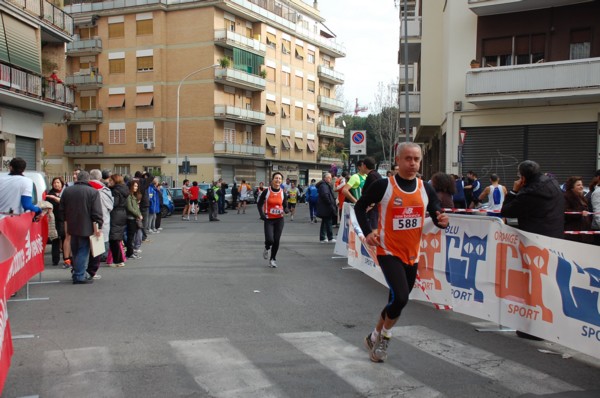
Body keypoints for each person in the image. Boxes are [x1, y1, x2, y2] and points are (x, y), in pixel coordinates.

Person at [354, 142, 449, 363]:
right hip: (389, 251)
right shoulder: (384, 185)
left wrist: (442, 221)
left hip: (412, 254)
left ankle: (373, 336)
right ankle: (385, 337)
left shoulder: (425, 188)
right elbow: (360, 207)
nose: (413, 163)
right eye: (408, 158)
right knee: (402, 298)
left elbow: (436, 213)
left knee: (394, 299)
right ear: (397, 160)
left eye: (416, 159)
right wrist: (368, 232)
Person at [501, 160, 564, 340]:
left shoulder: (529, 194)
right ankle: (548, 324)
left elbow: (507, 210)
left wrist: (514, 191)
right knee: (548, 283)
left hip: (534, 242)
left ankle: (536, 328)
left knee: (534, 284)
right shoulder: (552, 183)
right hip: (554, 240)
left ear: (522, 177)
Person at [61, 171, 103, 284]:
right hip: (87, 226)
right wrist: (99, 225)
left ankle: (77, 272)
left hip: (71, 224)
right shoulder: (93, 192)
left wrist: (65, 221)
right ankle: (79, 275)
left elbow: (62, 209)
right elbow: (96, 211)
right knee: (83, 251)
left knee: (75, 250)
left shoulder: (67, 191)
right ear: (88, 179)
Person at [257, 172, 289, 268]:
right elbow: (259, 204)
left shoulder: (283, 192)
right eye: (276, 178)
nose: (278, 180)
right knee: (270, 239)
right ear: (272, 180)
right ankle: (267, 248)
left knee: (276, 240)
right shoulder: (266, 191)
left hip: (279, 219)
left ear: (281, 181)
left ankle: (273, 259)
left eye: (279, 178)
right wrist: (261, 214)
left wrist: (286, 209)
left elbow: (285, 204)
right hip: (269, 219)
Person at [88, 169, 114, 279]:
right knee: (97, 249)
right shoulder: (104, 190)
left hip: (85, 222)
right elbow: (110, 206)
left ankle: (81, 270)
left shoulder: (84, 187)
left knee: (85, 249)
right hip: (100, 221)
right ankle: (92, 272)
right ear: (100, 178)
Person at [564, 176, 593, 244]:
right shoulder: (566, 196)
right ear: (572, 186)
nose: (581, 186)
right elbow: (565, 211)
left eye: (582, 184)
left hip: (584, 232)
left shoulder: (581, 196)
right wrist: (580, 213)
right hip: (574, 233)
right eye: (578, 185)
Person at [108, 174, 128, 268]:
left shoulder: (115, 191)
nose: (109, 182)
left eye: (111, 181)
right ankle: (119, 259)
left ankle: (118, 260)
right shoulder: (124, 189)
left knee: (114, 238)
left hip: (115, 214)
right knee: (117, 238)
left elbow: (114, 203)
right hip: (122, 213)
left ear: (115, 181)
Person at [46, 177, 66, 265]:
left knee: (65, 239)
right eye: (54, 183)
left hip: (65, 219)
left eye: (58, 182)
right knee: (55, 239)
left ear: (62, 184)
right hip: (54, 220)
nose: (56, 184)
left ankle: (67, 258)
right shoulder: (49, 195)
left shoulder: (66, 193)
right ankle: (55, 259)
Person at [316, 173, 337, 243]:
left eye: (330, 178)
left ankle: (323, 237)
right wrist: (330, 203)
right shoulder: (324, 186)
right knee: (328, 222)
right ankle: (329, 237)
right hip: (326, 207)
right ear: (325, 178)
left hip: (325, 207)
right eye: (329, 178)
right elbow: (325, 195)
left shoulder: (325, 185)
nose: (330, 179)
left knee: (325, 222)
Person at [125, 180, 143, 260]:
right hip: (131, 218)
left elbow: (135, 207)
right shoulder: (129, 195)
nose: (136, 188)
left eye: (137, 186)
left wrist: (139, 214)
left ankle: (131, 252)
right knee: (130, 237)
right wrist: (138, 214)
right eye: (135, 186)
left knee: (132, 236)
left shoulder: (133, 195)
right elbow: (130, 208)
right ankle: (129, 253)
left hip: (134, 218)